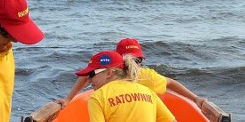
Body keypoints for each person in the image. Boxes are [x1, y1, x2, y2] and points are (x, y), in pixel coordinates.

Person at [58, 38, 206, 109]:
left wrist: (196, 98)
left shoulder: (108, 80)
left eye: (136, 60)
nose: (134, 64)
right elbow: (171, 83)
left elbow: (87, 75)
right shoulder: (148, 77)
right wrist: (195, 98)